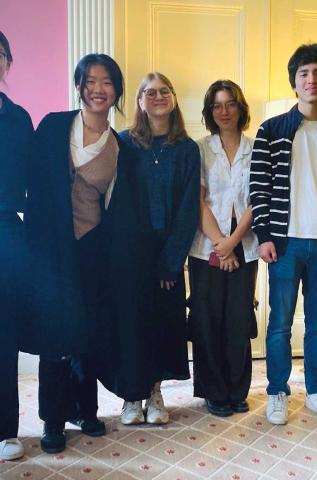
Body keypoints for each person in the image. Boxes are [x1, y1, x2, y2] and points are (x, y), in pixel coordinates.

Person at [26, 54, 139, 453]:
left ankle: (86, 410)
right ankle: (53, 420)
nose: (98, 88)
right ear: (79, 86)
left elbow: (118, 210)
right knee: (54, 335)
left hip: (92, 248)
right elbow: (33, 184)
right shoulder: (55, 126)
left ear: (117, 91)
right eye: (90, 81)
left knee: (88, 331)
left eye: (107, 82)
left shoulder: (120, 147)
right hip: (51, 247)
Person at [250, 43, 317, 425]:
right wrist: (263, 234)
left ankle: (316, 391)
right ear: (295, 82)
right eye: (304, 74)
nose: (312, 80)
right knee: (279, 323)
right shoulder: (272, 129)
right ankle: (277, 392)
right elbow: (258, 187)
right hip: (285, 242)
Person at [117, 72, 200, 425]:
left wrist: (171, 261)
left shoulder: (187, 148)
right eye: (149, 92)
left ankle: (154, 392)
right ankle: (131, 398)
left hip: (168, 247)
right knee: (132, 322)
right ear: (139, 101)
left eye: (164, 91)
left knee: (163, 323)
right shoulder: (124, 143)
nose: (157, 97)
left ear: (174, 98)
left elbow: (188, 207)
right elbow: (117, 201)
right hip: (132, 249)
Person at [188, 80, 258, 417]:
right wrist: (220, 244)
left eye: (230, 104)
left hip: (244, 245)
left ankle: (236, 389)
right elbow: (199, 200)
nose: (224, 111)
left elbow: (257, 199)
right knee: (207, 319)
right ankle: (213, 391)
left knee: (238, 319)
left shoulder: (256, 147)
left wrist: (232, 244)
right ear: (209, 112)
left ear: (240, 108)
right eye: (217, 105)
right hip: (206, 246)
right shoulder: (199, 148)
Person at [0, 31, 34, 461]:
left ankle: (6, 429)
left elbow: (32, 182)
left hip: (6, 229)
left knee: (3, 334)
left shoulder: (19, 118)